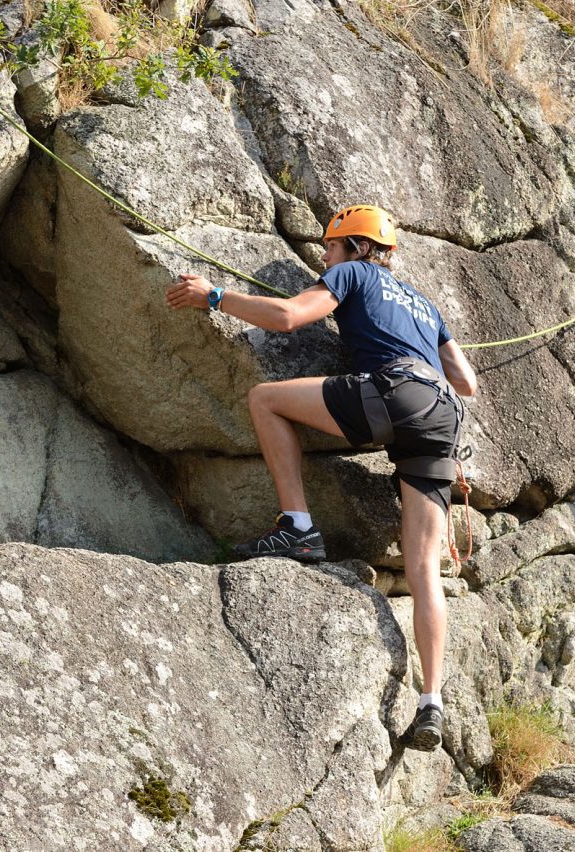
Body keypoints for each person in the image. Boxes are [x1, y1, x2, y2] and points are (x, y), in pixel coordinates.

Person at [165, 204, 478, 750]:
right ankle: (432, 701)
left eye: (329, 248)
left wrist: (214, 296)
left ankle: (298, 526)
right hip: (443, 413)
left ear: (355, 247)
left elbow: (289, 317)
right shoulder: (425, 305)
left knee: (265, 400)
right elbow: (467, 380)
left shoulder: (353, 272)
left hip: (394, 393)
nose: (324, 257)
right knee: (424, 565)